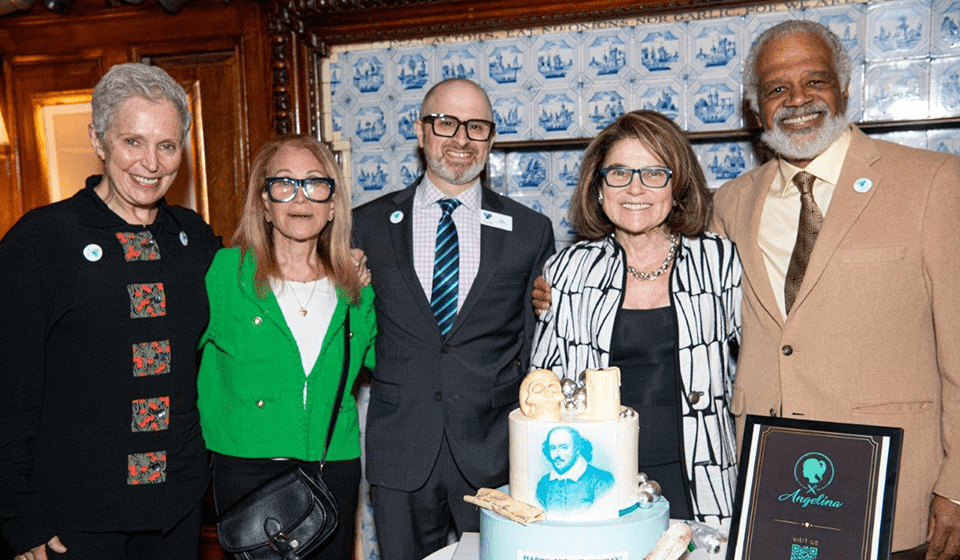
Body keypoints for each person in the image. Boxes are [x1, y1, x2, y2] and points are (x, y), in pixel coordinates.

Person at [710, 20, 960, 559]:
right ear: (755, 110)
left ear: (845, 91)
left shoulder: (934, 183)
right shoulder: (729, 203)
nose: (797, 100)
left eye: (815, 81)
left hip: (895, 492)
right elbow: (677, 288)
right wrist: (565, 290)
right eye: (777, 88)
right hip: (770, 490)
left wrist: (958, 484)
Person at [0, 63, 219, 560]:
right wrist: (17, 514)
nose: (152, 162)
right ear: (99, 141)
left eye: (167, 145)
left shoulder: (194, 239)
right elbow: (9, 391)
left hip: (176, 511)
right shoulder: (40, 242)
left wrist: (344, 260)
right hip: (74, 519)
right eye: (133, 142)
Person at [352, 78, 555, 560]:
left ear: (490, 138)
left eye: (476, 126)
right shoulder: (365, 225)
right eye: (446, 123)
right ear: (421, 132)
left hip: (493, 453)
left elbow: (537, 348)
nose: (461, 139)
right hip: (400, 450)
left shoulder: (529, 231)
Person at [530, 109, 741, 526]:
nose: (635, 189)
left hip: (701, 473)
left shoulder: (718, 260)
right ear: (598, 187)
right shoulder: (567, 271)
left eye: (654, 174)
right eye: (620, 173)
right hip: (597, 481)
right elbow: (543, 395)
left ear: (677, 185)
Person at [197, 134, 376, 560]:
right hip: (245, 469)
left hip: (331, 466)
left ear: (332, 204)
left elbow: (380, 360)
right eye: (284, 183)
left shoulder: (354, 285)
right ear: (264, 201)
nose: (301, 198)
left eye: (316, 183)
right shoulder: (226, 273)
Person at [535, 426, 614, 513]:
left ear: (577, 449)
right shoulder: (544, 483)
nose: (557, 454)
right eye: (553, 448)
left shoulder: (601, 481)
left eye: (564, 447)